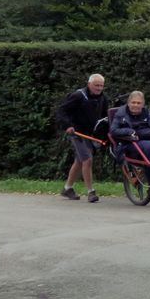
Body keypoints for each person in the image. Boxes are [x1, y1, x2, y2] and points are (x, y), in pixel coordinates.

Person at [56, 73, 109, 203]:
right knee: (87, 160)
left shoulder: (103, 98)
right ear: (89, 84)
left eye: (101, 86)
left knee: (79, 161)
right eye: (96, 85)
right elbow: (61, 111)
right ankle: (91, 192)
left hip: (91, 135)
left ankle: (67, 188)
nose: (99, 88)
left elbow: (104, 117)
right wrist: (67, 126)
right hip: (77, 133)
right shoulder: (78, 96)